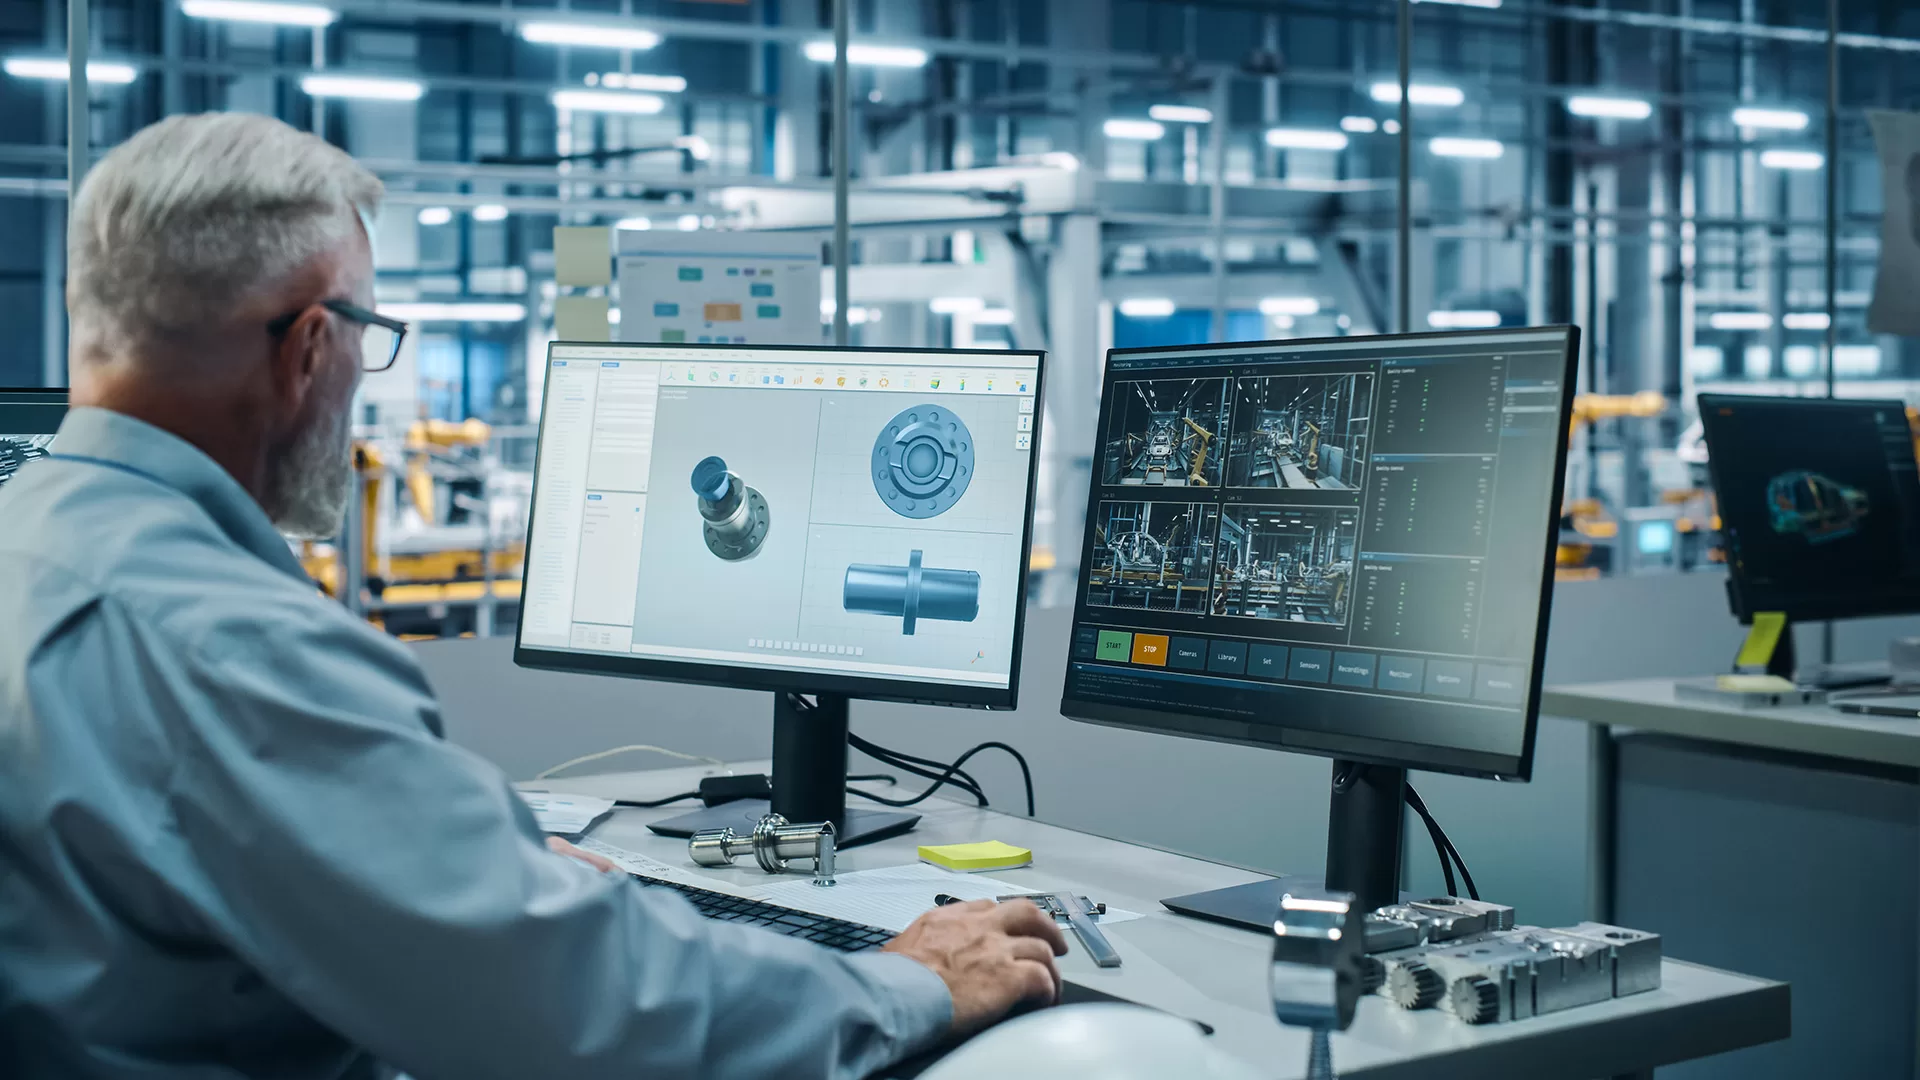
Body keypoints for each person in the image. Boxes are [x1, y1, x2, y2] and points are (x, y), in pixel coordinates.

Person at [0, 112, 1065, 1080]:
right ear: (314, 347)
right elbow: (592, 1015)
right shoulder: (229, 644)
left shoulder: (31, 541)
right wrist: (910, 983)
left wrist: (462, 880)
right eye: (370, 333)